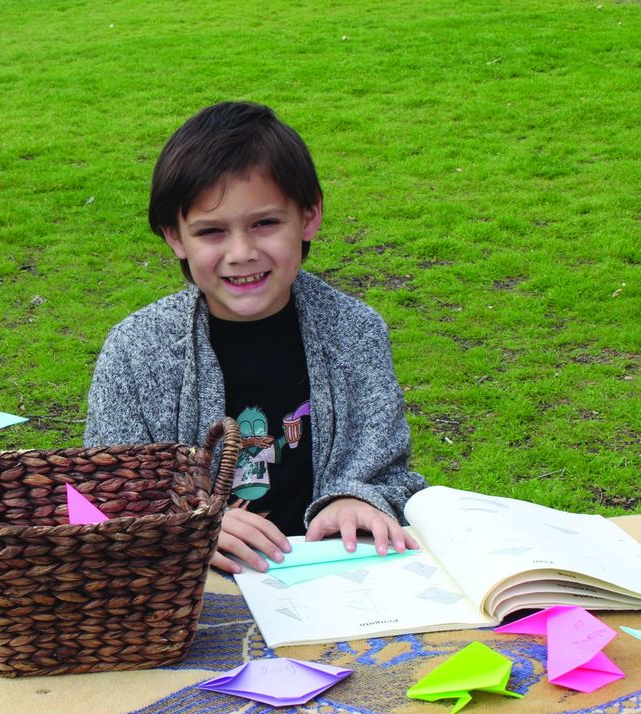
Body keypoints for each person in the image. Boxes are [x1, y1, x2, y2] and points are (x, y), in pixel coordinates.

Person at [84, 101, 427, 574]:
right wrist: (192, 525)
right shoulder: (136, 351)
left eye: (265, 223)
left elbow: (388, 473)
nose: (242, 253)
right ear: (175, 237)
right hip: (189, 598)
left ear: (308, 217)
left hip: (337, 577)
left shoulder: (355, 333)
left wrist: (356, 499)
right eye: (211, 231)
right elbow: (106, 498)